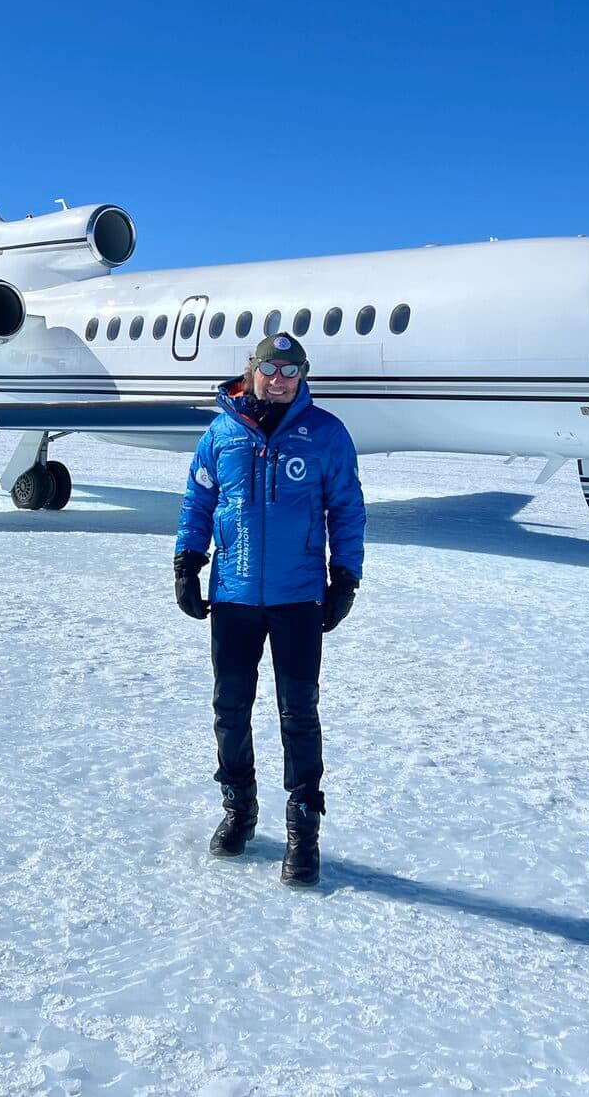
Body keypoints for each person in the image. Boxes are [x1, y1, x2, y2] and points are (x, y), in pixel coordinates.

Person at [173, 332, 366, 886]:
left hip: (297, 598)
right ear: (251, 369)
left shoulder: (326, 435)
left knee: (298, 715)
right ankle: (238, 808)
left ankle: (303, 830)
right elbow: (199, 500)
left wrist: (345, 575)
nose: (279, 380)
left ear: (302, 376)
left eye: (291, 371)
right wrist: (188, 561)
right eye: (270, 368)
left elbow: (347, 508)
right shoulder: (222, 432)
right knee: (230, 708)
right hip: (234, 596)